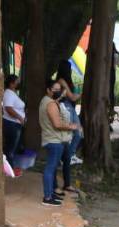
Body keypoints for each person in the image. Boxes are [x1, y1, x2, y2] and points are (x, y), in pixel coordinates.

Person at [39, 79, 74, 207]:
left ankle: (51, 193)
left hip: (50, 139)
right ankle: (47, 197)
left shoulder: (46, 101)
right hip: (54, 140)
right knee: (50, 168)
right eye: (55, 89)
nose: (58, 92)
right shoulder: (51, 104)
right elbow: (57, 124)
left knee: (52, 168)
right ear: (48, 90)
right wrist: (71, 127)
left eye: (59, 89)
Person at [55, 61, 83, 177]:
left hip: (69, 106)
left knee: (77, 133)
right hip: (66, 106)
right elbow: (71, 96)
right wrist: (82, 93)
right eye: (70, 68)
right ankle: (68, 157)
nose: (71, 70)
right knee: (77, 132)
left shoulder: (64, 80)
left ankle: (69, 156)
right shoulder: (61, 80)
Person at [0, 73, 25, 167]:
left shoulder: (12, 93)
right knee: (10, 149)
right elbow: (8, 108)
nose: (19, 83)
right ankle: (9, 168)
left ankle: (9, 167)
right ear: (11, 84)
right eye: (17, 81)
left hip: (14, 124)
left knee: (12, 147)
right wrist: (20, 117)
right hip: (12, 124)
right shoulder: (9, 93)